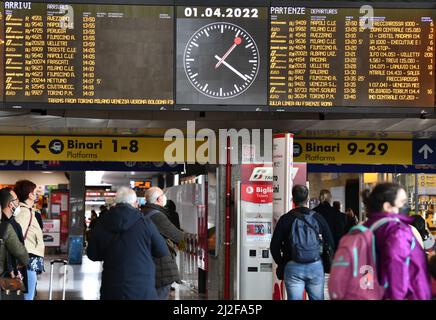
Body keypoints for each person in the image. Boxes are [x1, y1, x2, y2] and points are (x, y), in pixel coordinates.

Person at [87, 187, 169, 300]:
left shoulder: (102, 223)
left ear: (116, 203)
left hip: (112, 288)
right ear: (135, 203)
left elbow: (92, 254)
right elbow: (162, 251)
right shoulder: (145, 223)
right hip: (142, 288)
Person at [362, 182, 431, 300]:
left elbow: (366, 268)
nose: (406, 207)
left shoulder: (365, 228)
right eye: (403, 202)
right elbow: (398, 274)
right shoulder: (397, 232)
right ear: (387, 206)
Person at [270, 185, 334, 300]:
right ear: (307, 198)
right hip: (315, 266)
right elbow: (330, 243)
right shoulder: (318, 218)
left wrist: (283, 262)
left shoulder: (285, 219)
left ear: (293, 199)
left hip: (292, 265)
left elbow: (274, 246)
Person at [142, 187, 185, 300]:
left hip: (149, 261)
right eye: (162, 195)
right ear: (158, 199)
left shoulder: (144, 212)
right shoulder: (157, 215)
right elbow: (178, 236)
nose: (164, 197)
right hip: (160, 263)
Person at [13, 180, 44, 301]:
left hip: (29, 259)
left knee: (29, 294)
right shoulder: (24, 212)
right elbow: (15, 236)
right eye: (35, 192)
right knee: (28, 296)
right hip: (27, 260)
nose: (37, 194)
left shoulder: (28, 211)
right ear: (30, 194)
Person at [0, 187, 29, 296]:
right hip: (9, 276)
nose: (19, 203)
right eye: (16, 200)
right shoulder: (8, 226)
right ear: (11, 204)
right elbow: (20, 252)